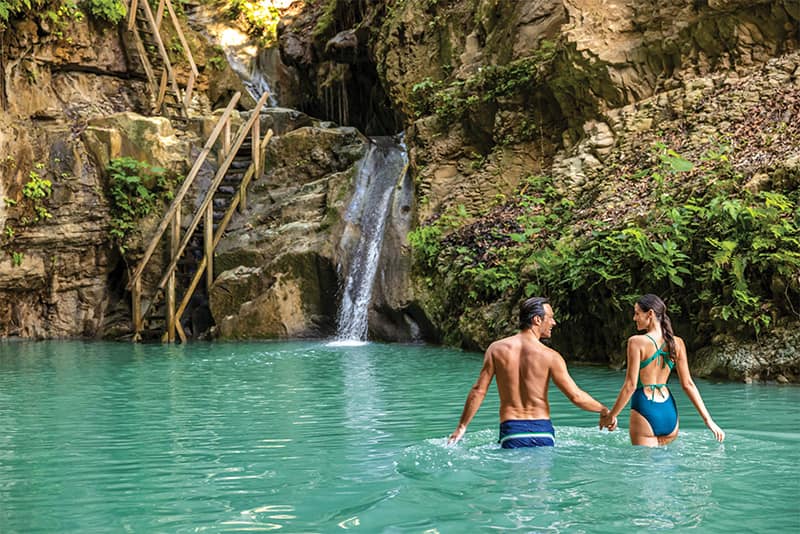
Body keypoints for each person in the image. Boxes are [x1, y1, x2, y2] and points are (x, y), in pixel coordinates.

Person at [448, 296, 612, 448]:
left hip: (512, 431)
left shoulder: (496, 349)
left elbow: (479, 391)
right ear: (537, 319)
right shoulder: (551, 356)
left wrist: (462, 427)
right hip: (543, 432)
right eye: (550, 318)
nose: (554, 322)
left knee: (515, 478)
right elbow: (575, 396)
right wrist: (604, 410)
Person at [604, 294, 725, 446]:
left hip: (645, 408)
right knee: (666, 466)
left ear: (650, 314)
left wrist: (611, 416)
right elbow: (688, 384)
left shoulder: (636, 342)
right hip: (669, 412)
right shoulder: (677, 343)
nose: (634, 318)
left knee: (645, 469)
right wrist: (709, 421)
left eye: (637, 313)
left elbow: (630, 386)